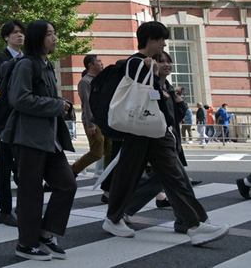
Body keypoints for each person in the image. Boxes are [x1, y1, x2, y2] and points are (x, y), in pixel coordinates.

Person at [102, 21, 228, 247]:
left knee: (173, 177)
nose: (164, 44)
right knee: (128, 176)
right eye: (162, 39)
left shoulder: (149, 64)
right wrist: (154, 74)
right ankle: (113, 218)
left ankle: (197, 225)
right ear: (151, 39)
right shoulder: (136, 63)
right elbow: (142, 96)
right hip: (140, 128)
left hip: (155, 130)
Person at [0, 19, 76, 261]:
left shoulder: (47, 64)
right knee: (31, 192)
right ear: (38, 38)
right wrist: (56, 105)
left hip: (49, 138)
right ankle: (26, 243)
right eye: (50, 34)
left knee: (67, 184)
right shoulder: (26, 65)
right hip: (29, 137)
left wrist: (63, 107)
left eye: (55, 33)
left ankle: (44, 233)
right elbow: (19, 99)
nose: (54, 38)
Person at [120, 51, 193, 232]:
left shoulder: (167, 86)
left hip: (169, 140)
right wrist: (161, 96)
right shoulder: (153, 85)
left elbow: (176, 117)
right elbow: (149, 109)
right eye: (162, 62)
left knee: (160, 179)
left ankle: (121, 209)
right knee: (178, 181)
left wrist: (179, 102)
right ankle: (187, 221)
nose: (167, 65)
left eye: (169, 62)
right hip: (157, 140)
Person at [0, 20, 25, 227]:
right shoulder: (1, 59)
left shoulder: (26, 58)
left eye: (21, 32)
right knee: (4, 168)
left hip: (23, 121)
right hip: (5, 122)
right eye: (15, 33)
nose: (20, 36)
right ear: (6, 37)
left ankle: (23, 207)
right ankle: (4, 211)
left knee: (23, 166)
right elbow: (0, 80)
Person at [71, 55, 113, 191]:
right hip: (94, 121)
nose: (102, 64)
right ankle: (72, 171)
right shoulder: (85, 82)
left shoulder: (100, 80)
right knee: (96, 152)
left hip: (104, 121)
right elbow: (87, 104)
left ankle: (108, 180)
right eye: (99, 61)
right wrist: (90, 124)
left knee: (110, 152)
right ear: (90, 65)